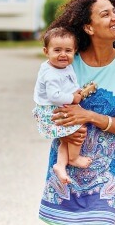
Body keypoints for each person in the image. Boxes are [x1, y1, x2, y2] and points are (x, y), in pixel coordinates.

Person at [38, 0, 115, 225]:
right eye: (105, 14)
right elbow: (48, 108)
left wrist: (89, 115)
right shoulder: (68, 62)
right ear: (88, 27)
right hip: (64, 167)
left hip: (105, 172)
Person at [32, 27, 92, 185]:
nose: (63, 54)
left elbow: (66, 83)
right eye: (57, 50)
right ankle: (73, 158)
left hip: (54, 107)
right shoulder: (51, 74)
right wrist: (73, 97)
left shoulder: (62, 66)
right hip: (51, 111)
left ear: (75, 51)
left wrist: (74, 90)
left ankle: (60, 165)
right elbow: (54, 95)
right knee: (78, 127)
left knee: (66, 139)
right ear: (46, 51)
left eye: (68, 50)